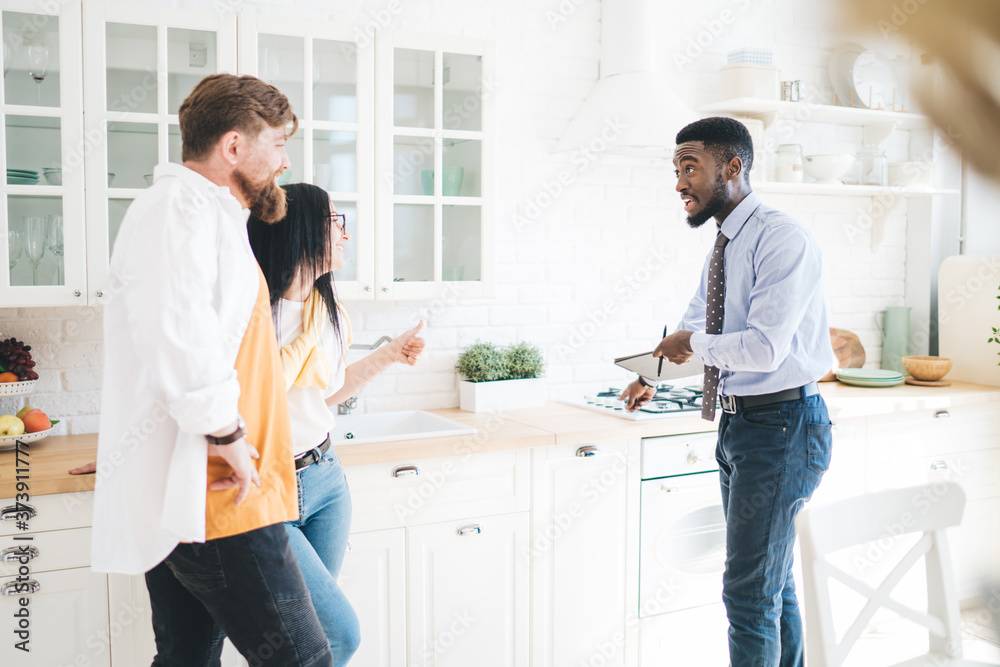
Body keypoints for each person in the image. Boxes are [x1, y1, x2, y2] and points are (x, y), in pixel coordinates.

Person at [91, 74, 333, 667]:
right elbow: (177, 335)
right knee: (303, 660)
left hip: (217, 486)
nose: (283, 161)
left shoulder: (210, 214)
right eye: (276, 144)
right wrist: (226, 436)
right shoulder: (176, 210)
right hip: (219, 492)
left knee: (186, 660)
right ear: (233, 147)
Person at [620, 117, 835, 667]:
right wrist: (651, 373)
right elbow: (697, 322)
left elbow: (762, 349)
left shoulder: (781, 238)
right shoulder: (724, 243)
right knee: (770, 579)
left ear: (733, 167)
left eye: (689, 166)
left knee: (747, 591)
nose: (679, 183)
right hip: (740, 426)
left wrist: (693, 341)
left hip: (784, 426)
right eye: (676, 169)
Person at [247, 183, 426, 666]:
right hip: (268, 487)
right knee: (336, 636)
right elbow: (241, 402)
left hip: (325, 480)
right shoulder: (251, 313)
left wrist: (388, 355)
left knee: (301, 642)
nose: (345, 235)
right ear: (302, 228)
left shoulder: (330, 313)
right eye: (335, 222)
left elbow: (326, 393)